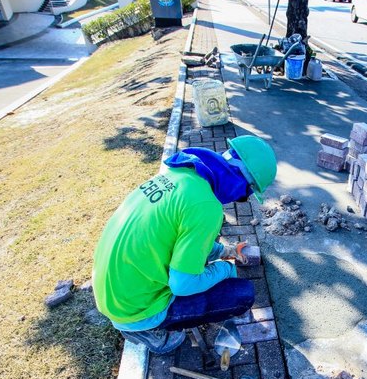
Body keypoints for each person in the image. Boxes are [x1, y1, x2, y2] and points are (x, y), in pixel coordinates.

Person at [92, 135, 277, 354]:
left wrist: (224, 251)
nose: (239, 200)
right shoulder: (206, 207)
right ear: (242, 184)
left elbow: (177, 238)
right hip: (135, 309)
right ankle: (148, 331)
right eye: (244, 196)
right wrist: (225, 268)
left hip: (113, 290)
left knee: (203, 260)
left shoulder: (179, 175)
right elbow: (182, 285)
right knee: (242, 294)